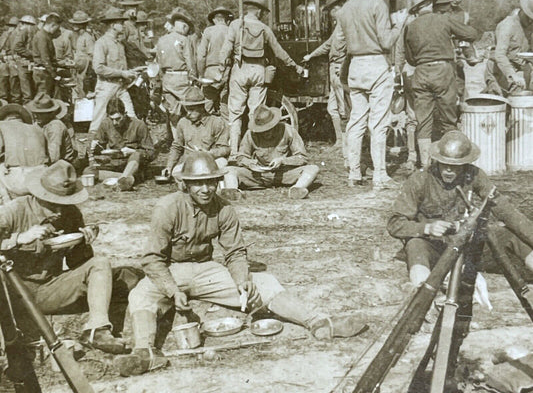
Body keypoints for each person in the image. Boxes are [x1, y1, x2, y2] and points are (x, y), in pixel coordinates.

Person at [116, 152, 366, 376]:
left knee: (263, 283)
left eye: (210, 182)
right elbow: (151, 258)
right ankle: (145, 353)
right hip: (170, 270)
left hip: (206, 270)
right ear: (186, 184)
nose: (205, 189)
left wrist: (242, 280)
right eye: (198, 183)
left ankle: (318, 322)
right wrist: (172, 290)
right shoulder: (167, 207)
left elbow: (234, 251)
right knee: (141, 294)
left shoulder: (224, 208)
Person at [0, 160, 136, 353]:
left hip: (49, 289)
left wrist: (83, 241)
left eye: (63, 204)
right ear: (39, 196)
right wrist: (19, 238)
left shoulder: (70, 214)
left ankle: (96, 330)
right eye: (52, 204)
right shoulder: (14, 211)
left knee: (101, 263)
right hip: (13, 294)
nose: (58, 211)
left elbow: (78, 265)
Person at [387, 131, 533, 287]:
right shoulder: (420, 179)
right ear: (436, 160)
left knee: (511, 235)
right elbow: (395, 224)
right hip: (435, 248)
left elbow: (506, 211)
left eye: (455, 166)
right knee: (415, 244)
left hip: (466, 247)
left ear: (464, 164)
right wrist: (427, 228)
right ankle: (422, 292)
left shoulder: (473, 174)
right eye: (445, 165)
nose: (449, 170)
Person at [336, 0, 408, 189]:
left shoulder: (345, 9)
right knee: (379, 122)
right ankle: (380, 175)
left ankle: (354, 173)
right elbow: (386, 41)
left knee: (356, 121)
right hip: (376, 63)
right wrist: (399, 24)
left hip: (355, 64)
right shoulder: (378, 5)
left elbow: (339, 42)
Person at [217, 0, 305, 155]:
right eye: (263, 12)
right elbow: (279, 51)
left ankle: (235, 151)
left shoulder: (236, 24)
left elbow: (226, 50)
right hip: (258, 71)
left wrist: (221, 69)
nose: (263, 15)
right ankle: (253, 150)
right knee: (255, 113)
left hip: (240, 69)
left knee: (235, 114)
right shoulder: (264, 29)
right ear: (258, 12)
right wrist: (295, 66)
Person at [400, 0, 478, 166]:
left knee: (423, 120)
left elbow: (410, 58)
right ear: (431, 4)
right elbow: (471, 34)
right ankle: (451, 160)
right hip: (443, 71)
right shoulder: (443, 20)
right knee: (448, 117)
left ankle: (426, 165)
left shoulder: (410, 27)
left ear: (416, 9)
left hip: (420, 73)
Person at [222, 104, 319, 200]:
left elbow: (302, 157)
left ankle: (297, 189)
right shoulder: (251, 134)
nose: (265, 133)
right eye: (262, 131)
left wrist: (283, 160)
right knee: (229, 170)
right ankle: (232, 191)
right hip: (258, 175)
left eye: (268, 129)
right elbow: (241, 157)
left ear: (275, 124)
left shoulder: (288, 130)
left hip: (282, 174)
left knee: (313, 169)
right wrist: (249, 163)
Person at [303, 0, 348, 151]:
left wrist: (343, 66)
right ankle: (340, 141)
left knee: (343, 109)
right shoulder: (339, 26)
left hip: (340, 69)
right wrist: (311, 55)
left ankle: (347, 145)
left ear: (337, 8)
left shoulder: (346, 24)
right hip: (334, 69)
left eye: (330, 10)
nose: (330, 14)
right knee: (332, 108)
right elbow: (328, 45)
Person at [162, 86, 229, 182]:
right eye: (187, 109)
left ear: (201, 107)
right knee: (176, 172)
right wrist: (169, 167)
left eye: (192, 110)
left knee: (222, 164)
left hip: (211, 161)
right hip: (189, 162)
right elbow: (177, 147)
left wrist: (209, 154)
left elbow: (225, 149)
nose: (188, 113)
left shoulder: (216, 122)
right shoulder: (183, 122)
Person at [90, 7, 138, 140]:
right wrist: (122, 73)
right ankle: (91, 153)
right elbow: (98, 68)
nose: (123, 26)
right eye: (121, 23)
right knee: (98, 121)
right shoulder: (102, 43)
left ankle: (132, 147)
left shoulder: (119, 44)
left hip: (121, 87)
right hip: (106, 86)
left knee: (131, 116)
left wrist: (129, 74)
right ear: (112, 25)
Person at [91, 97, 155, 191]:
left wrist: (133, 151)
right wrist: (94, 147)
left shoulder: (139, 125)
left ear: (125, 114)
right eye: (111, 119)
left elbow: (151, 152)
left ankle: (125, 177)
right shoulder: (105, 124)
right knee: (89, 172)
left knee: (136, 155)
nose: (115, 122)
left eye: (118, 119)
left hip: (134, 163)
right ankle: (126, 179)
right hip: (114, 163)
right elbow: (98, 147)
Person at [485, 0, 533, 97]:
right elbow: (500, 55)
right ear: (522, 12)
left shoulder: (530, 27)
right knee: (500, 106)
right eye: (529, 17)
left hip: (518, 68)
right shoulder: (508, 25)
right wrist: (512, 75)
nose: (530, 21)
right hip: (499, 70)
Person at [0, 103, 49, 203]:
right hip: (41, 178)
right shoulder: (37, 129)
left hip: (17, 181)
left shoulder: (1, 126)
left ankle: (6, 205)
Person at [155, 7, 197, 117]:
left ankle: (175, 133)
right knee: (190, 108)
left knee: (173, 111)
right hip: (181, 78)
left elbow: (158, 63)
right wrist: (194, 78)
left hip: (167, 78)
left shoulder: (161, 40)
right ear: (184, 26)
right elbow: (190, 62)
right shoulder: (184, 40)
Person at [446, 0, 479, 99]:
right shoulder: (439, 13)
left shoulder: (464, 15)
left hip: (457, 59)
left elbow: (466, 39)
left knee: (459, 87)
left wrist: (470, 56)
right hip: (442, 58)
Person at [197, 6, 233, 116]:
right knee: (225, 104)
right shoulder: (231, 31)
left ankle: (206, 129)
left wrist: (201, 74)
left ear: (214, 19)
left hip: (211, 71)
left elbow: (201, 56)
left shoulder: (208, 31)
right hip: (227, 70)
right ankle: (226, 130)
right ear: (226, 19)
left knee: (207, 104)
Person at [26, 92, 79, 166]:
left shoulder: (55, 126)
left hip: (62, 165)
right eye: (35, 113)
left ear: (50, 113)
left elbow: (54, 157)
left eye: (41, 114)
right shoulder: (39, 124)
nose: (36, 116)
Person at [32, 13, 61, 95]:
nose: (56, 31)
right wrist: (54, 74)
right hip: (43, 73)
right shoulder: (42, 36)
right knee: (43, 98)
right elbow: (45, 58)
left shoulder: (45, 35)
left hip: (45, 71)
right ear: (52, 25)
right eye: (57, 28)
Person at [70, 10, 96, 96]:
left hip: (86, 72)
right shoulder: (79, 37)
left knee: (85, 94)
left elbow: (92, 55)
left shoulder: (87, 37)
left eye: (77, 24)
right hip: (80, 70)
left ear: (83, 25)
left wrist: (88, 73)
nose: (74, 25)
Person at [12, 15, 37, 103]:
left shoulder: (28, 32)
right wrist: (31, 54)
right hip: (23, 62)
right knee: (26, 89)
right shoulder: (24, 32)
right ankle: (27, 108)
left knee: (29, 86)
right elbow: (17, 47)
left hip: (28, 62)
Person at [0, 17, 19, 103]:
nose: (12, 28)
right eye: (10, 26)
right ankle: (3, 98)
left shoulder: (20, 35)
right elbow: (2, 48)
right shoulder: (5, 35)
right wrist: (3, 55)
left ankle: (15, 98)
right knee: (3, 70)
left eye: (14, 26)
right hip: (5, 60)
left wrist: (12, 57)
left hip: (15, 61)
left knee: (13, 73)